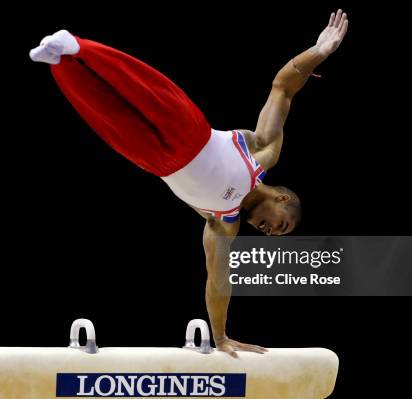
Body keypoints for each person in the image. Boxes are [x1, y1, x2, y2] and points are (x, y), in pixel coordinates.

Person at [30, 9, 349, 356]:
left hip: (155, 163)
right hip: (193, 134)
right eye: (280, 226)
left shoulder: (223, 223)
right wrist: (320, 51)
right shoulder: (264, 152)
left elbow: (218, 281)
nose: (270, 232)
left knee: (102, 110)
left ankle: (59, 61)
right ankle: (78, 46)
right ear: (284, 199)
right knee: (142, 90)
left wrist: (221, 336)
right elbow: (283, 88)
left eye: (273, 234)